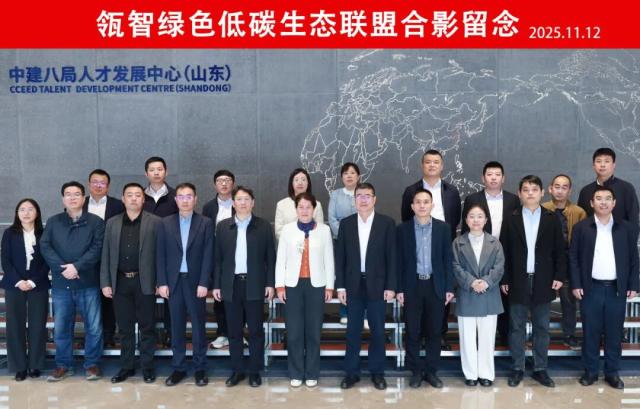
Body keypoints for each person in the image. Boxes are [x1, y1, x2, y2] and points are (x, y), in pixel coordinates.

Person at [570, 186, 639, 389]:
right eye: (599, 198)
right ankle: (590, 371)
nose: (603, 202)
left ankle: (612, 372)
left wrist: (633, 284)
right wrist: (576, 283)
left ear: (614, 203)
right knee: (590, 331)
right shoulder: (582, 228)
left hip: (616, 288)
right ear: (592, 203)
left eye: (608, 198)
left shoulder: (626, 228)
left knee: (614, 333)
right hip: (591, 288)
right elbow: (573, 258)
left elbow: (634, 259)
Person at [501, 175, 566, 388]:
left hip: (543, 280)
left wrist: (559, 276)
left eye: (534, 189)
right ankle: (517, 368)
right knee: (516, 327)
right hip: (517, 280)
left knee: (542, 327)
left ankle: (540, 369)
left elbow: (560, 250)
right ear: (519, 193)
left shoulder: (551, 218)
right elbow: (504, 251)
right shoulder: (511, 218)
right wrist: (505, 278)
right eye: (526, 189)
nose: (530, 193)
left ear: (542, 193)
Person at [41, 181, 105, 382]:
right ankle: (63, 365)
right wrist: (64, 269)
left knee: (93, 327)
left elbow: (98, 248)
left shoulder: (95, 222)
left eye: (77, 194)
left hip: (88, 282)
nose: (72, 197)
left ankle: (92, 364)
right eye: (68, 194)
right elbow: (45, 246)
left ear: (83, 198)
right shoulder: (53, 222)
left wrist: (76, 267)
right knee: (62, 328)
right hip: (62, 284)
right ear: (63, 199)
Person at [213, 186, 276, 388]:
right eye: (239, 199)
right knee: (234, 332)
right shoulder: (223, 227)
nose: (242, 202)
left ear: (253, 202)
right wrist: (216, 285)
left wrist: (270, 283)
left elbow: (270, 258)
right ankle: (237, 370)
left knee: (255, 331)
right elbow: (217, 259)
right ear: (233, 203)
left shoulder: (263, 226)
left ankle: (255, 371)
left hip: (255, 284)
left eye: (246, 199)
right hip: (230, 285)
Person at [336, 183, 396, 390]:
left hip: (378, 286)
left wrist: (391, 286)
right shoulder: (346, 224)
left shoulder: (386, 223)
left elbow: (392, 257)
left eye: (367, 195)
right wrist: (340, 287)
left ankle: (377, 373)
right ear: (355, 200)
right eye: (359, 196)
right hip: (353, 285)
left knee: (378, 332)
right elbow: (340, 258)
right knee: (352, 331)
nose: (363, 199)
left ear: (374, 199)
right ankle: (351, 373)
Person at [100, 183, 162, 383]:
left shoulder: (155, 222)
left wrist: (160, 281)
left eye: (138, 195)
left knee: (147, 326)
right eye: (130, 195)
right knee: (125, 328)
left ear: (143, 199)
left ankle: (147, 366)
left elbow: (162, 255)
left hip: (146, 281)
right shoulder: (112, 223)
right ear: (123, 199)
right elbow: (106, 254)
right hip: (120, 282)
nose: (134, 198)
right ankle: (126, 366)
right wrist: (105, 282)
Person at [401, 149, 461, 350]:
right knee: (417, 301)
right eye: (428, 162)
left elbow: (455, 219)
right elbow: (406, 218)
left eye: (436, 162)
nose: (432, 165)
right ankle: (419, 337)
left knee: (441, 293)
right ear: (422, 165)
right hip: (419, 248)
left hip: (442, 245)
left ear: (442, 166)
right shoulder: (411, 190)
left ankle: (439, 335)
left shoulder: (451, 191)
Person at [156, 183, 213, 387]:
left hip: (195, 282)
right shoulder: (165, 223)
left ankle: (200, 368)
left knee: (198, 326)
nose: (185, 200)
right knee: (176, 326)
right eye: (181, 196)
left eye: (189, 196)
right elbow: (160, 254)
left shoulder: (205, 223)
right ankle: (178, 367)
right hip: (173, 282)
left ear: (195, 199)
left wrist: (204, 282)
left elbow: (208, 254)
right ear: (176, 200)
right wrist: (162, 282)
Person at [276, 192, 335, 388]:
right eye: (300, 207)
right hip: (292, 286)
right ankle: (295, 372)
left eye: (308, 207)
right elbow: (281, 259)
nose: (304, 210)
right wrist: (279, 285)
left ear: (314, 209)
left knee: (313, 332)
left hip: (316, 286)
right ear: (296, 209)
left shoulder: (324, 230)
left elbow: (329, 259)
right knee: (294, 332)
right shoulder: (287, 230)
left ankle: (311, 373)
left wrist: (330, 286)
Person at [397, 188, 454, 389]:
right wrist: (399, 289)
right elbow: (398, 262)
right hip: (411, 286)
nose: (422, 205)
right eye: (418, 202)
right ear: (412, 206)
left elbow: (448, 259)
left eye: (426, 202)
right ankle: (415, 371)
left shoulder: (443, 229)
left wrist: (449, 287)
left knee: (434, 331)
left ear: (432, 205)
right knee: (412, 331)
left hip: (435, 286)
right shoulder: (402, 230)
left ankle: (431, 371)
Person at [461, 161, 519, 345]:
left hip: (506, 254)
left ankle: (505, 336)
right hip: (479, 255)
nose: (493, 178)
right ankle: (482, 338)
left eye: (497, 174)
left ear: (503, 178)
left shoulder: (513, 200)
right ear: (483, 178)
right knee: (481, 292)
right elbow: (465, 230)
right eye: (489, 174)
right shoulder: (472, 199)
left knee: (505, 296)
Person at [453, 204, 505, 387]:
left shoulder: (495, 242)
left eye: (480, 216)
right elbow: (455, 266)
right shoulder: (457, 242)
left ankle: (486, 374)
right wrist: (472, 282)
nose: (476, 220)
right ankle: (470, 374)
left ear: (486, 220)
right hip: (467, 293)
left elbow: (499, 267)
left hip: (488, 294)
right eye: (472, 216)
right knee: (466, 338)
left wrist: (486, 282)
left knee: (487, 338)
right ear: (466, 220)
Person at [1, 199, 50, 381]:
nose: (26, 213)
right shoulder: (9, 233)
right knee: (14, 325)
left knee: (38, 325)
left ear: (37, 212)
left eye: (30, 209)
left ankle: (36, 365)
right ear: (17, 213)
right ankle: (19, 366)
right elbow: (5, 260)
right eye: (22, 209)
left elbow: (48, 260)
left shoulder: (44, 233)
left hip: (38, 284)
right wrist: (18, 281)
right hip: (14, 284)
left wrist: (33, 281)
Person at [542, 174, 587, 349]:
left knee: (569, 301)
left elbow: (583, 241)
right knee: (542, 301)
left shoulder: (578, 212)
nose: (560, 191)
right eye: (557, 186)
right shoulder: (542, 209)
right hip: (546, 262)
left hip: (568, 262)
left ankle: (569, 334)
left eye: (564, 187)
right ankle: (541, 335)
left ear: (569, 191)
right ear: (550, 189)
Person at [83, 168, 124, 348]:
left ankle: (108, 336)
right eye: (95, 182)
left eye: (102, 183)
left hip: (110, 258)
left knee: (109, 299)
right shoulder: (80, 203)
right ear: (88, 184)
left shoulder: (118, 205)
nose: (98, 186)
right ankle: (92, 338)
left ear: (108, 186)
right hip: (86, 260)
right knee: (89, 300)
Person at [142, 156, 178, 347]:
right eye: (152, 169)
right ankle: (152, 337)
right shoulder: (139, 196)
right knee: (147, 295)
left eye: (160, 169)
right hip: (145, 252)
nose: (156, 173)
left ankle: (171, 334)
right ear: (146, 173)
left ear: (166, 171)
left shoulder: (175, 196)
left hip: (170, 253)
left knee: (170, 295)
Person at [203, 169, 236, 350]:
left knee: (237, 297)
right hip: (217, 257)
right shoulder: (208, 207)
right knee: (219, 298)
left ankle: (237, 334)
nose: (224, 183)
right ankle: (222, 334)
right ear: (215, 184)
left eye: (227, 180)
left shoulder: (240, 202)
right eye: (220, 180)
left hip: (237, 257)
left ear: (233, 183)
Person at [327, 162, 359, 325]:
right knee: (343, 274)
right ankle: (344, 312)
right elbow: (332, 218)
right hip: (340, 241)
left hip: (362, 240)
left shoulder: (363, 193)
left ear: (358, 176)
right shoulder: (336, 195)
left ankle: (363, 313)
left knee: (361, 275)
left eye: (352, 173)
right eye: (346, 173)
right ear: (342, 177)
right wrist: (345, 235)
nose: (349, 176)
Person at [577, 147, 639, 228]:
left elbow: (633, 221)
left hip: (619, 235)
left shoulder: (627, 188)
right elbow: (581, 222)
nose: (602, 165)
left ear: (614, 165)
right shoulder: (585, 191)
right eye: (598, 161)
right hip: (592, 235)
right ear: (593, 165)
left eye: (607, 161)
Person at [274, 168, 324, 241]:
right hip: (289, 245)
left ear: (308, 183)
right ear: (292, 183)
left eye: (303, 180)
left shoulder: (317, 204)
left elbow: (320, 229)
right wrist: (296, 242)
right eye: (296, 180)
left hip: (311, 245)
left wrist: (307, 242)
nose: (300, 183)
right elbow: (278, 232)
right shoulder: (281, 205)